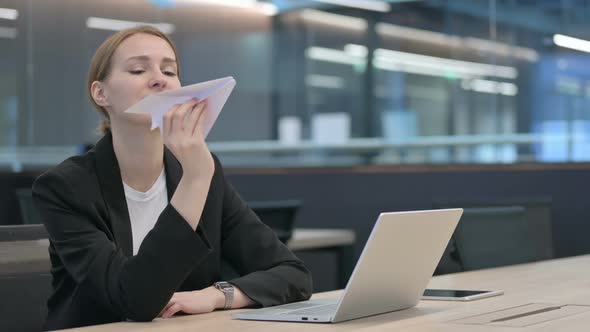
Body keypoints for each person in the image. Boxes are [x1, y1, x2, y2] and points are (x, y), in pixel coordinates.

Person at [32, 25, 312, 330]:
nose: (159, 79)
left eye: (169, 70)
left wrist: (219, 295)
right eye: (138, 69)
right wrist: (195, 179)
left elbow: (293, 274)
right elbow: (134, 300)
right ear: (101, 93)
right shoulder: (64, 187)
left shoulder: (202, 172)